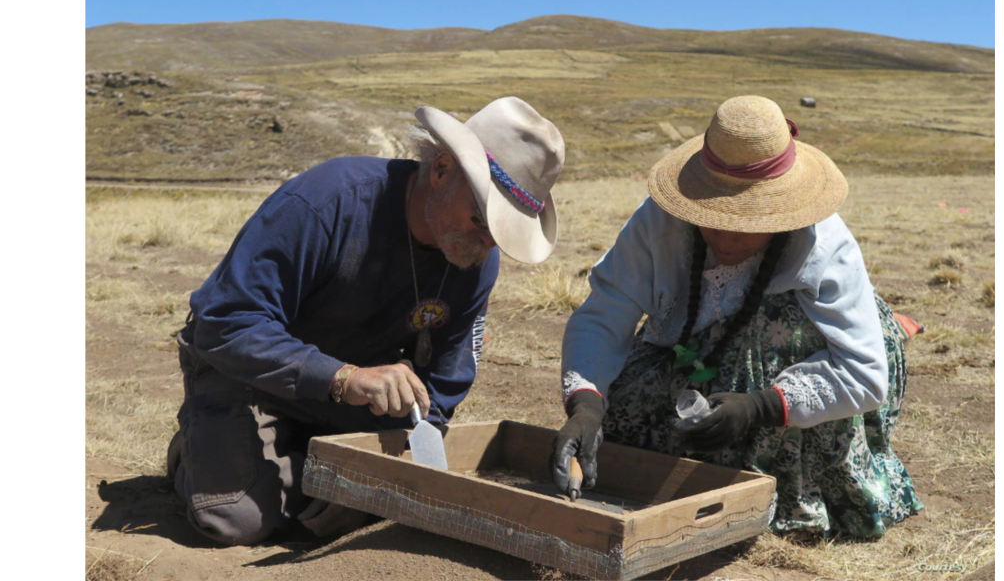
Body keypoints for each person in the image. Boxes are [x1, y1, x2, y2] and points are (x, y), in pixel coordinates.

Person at [169, 97, 565, 546]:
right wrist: (341, 377)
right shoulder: (328, 203)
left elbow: (449, 372)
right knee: (237, 518)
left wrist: (414, 444)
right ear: (440, 170)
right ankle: (198, 453)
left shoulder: (475, 257)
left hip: (356, 393)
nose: (487, 242)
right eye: (482, 219)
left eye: (501, 232)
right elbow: (225, 322)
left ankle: (289, 461)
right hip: (246, 373)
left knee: (381, 496)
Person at [551, 96, 922, 538]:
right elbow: (604, 314)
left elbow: (863, 373)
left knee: (777, 335)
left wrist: (760, 406)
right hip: (693, 344)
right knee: (628, 415)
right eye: (710, 217)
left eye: (745, 221)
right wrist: (587, 404)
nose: (725, 239)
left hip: (798, 363)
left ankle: (781, 489)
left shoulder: (824, 245)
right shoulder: (658, 222)